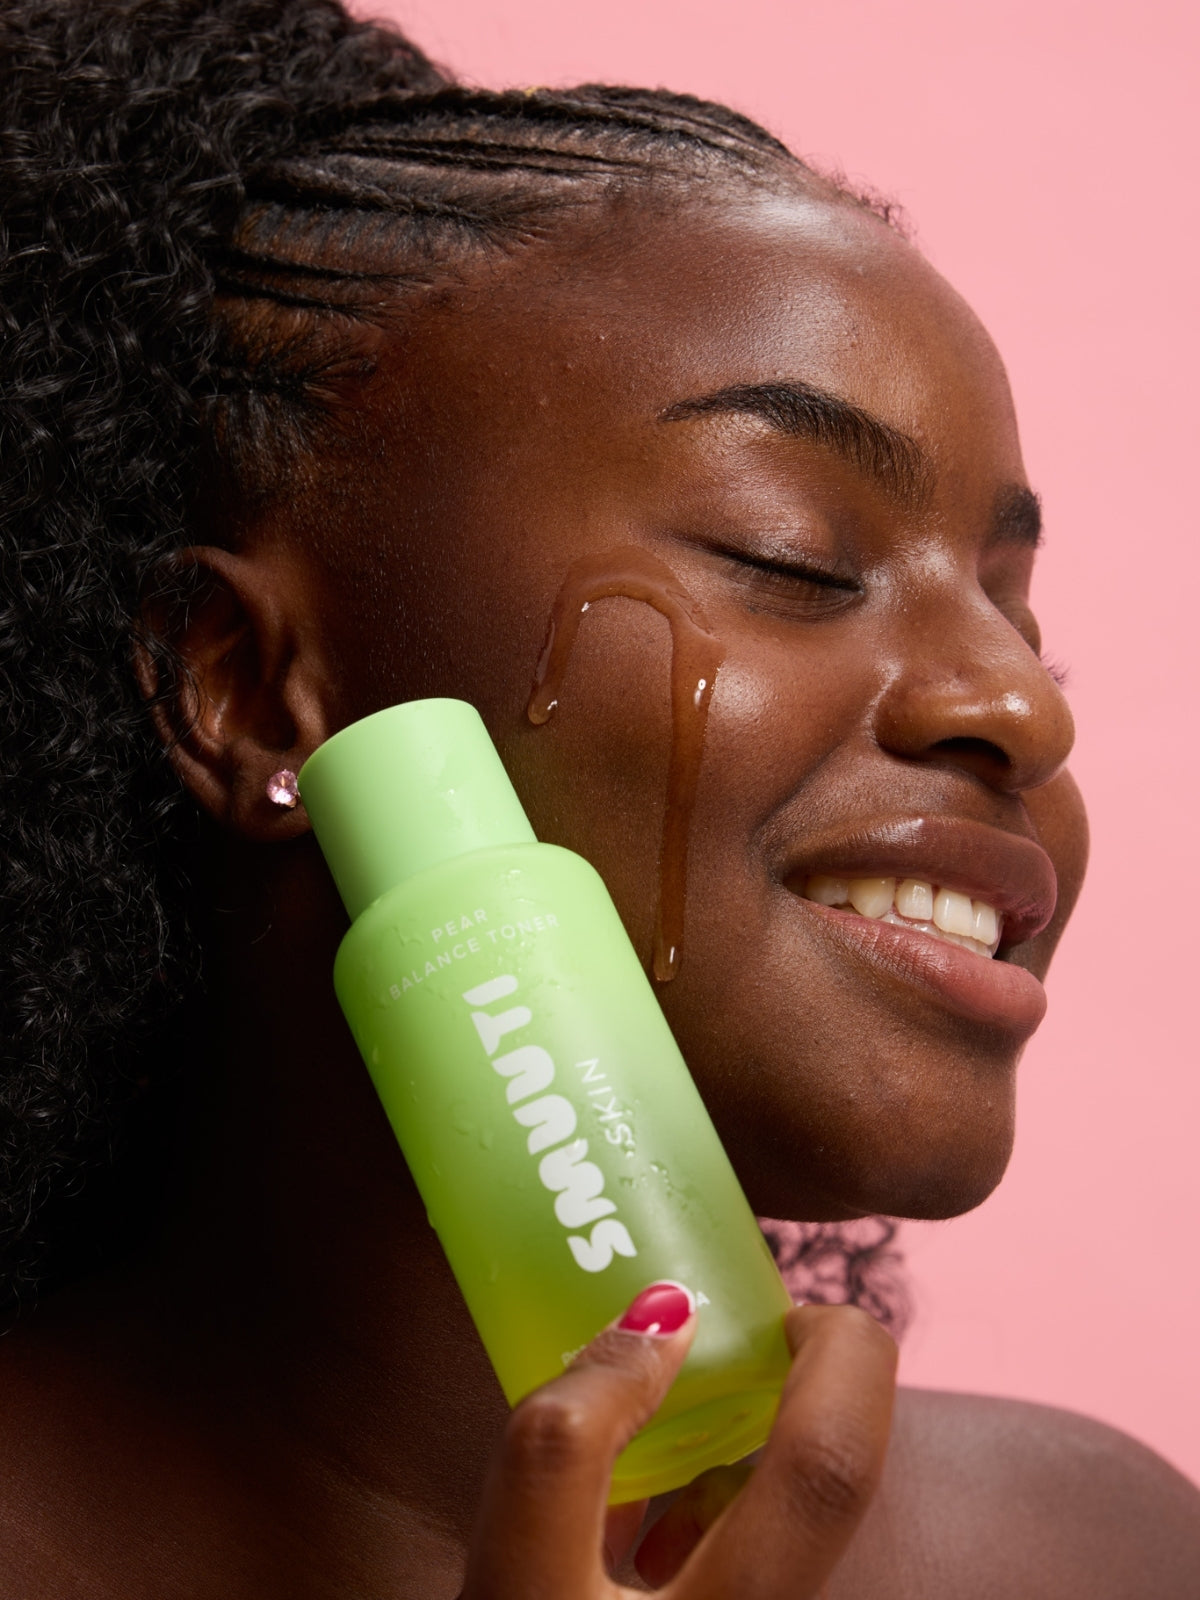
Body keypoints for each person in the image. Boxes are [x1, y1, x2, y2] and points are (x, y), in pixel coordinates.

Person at [1, 1, 1197, 1594]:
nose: (1019, 702)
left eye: (1013, 607)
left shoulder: (1085, 1555)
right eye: (793, 556)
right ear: (246, 687)